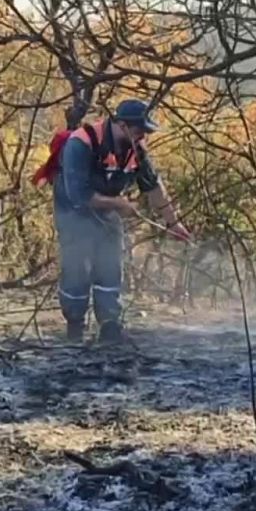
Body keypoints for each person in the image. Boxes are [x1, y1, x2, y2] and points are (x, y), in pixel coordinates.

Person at [53, 99, 192, 344]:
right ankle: (74, 329)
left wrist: (173, 223)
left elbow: (153, 187)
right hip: (73, 212)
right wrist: (119, 204)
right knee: (77, 269)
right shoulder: (80, 143)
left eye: (146, 131)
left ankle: (109, 326)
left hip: (107, 213)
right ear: (121, 124)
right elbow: (79, 195)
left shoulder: (137, 150)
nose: (143, 136)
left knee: (110, 266)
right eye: (140, 130)